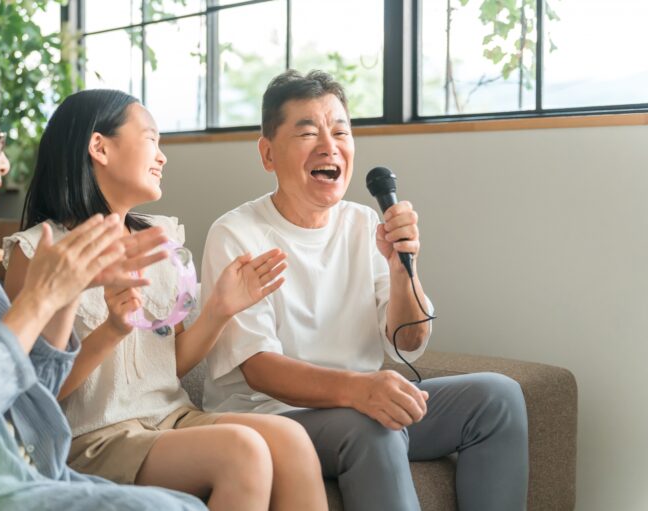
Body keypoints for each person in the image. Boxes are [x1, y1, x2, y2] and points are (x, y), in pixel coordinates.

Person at [0, 50, 205, 511]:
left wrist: (68, 293)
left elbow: (33, 389)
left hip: (28, 471)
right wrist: (41, 297)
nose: (5, 163)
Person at [201, 69, 530, 511]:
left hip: (362, 406)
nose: (328, 144)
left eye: (340, 131)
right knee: (369, 425)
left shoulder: (364, 224)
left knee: (497, 397)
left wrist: (401, 270)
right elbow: (260, 370)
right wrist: (360, 390)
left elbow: (408, 342)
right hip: (271, 418)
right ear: (267, 154)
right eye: (308, 132)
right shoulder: (236, 234)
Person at [2, 89, 328, 511]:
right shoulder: (37, 253)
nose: (163, 156)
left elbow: (167, 366)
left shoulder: (161, 243)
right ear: (99, 146)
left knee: (290, 438)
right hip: (93, 437)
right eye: (151, 139)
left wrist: (219, 310)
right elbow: (34, 392)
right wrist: (111, 331)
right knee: (242, 450)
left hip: (171, 418)